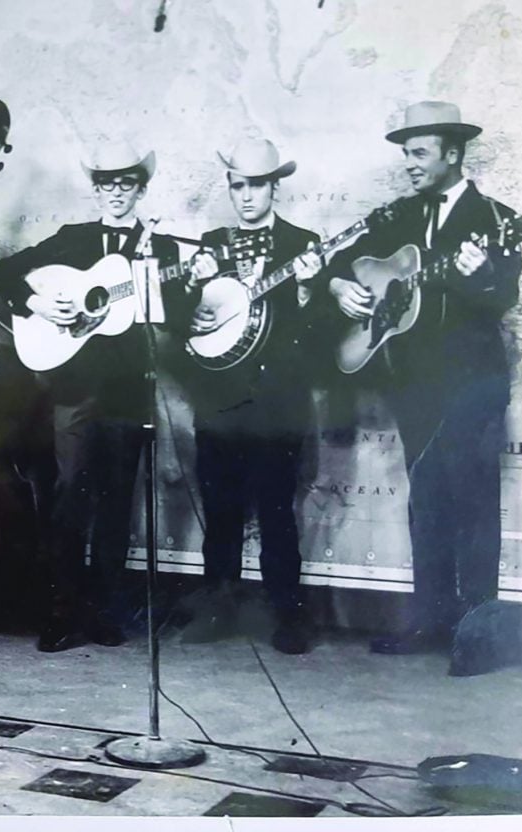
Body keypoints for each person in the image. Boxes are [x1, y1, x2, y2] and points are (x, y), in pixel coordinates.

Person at [321, 101, 522, 662]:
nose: (408, 163)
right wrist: (341, 287)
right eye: (405, 153)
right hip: (413, 384)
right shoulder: (398, 217)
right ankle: (428, 622)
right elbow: (346, 262)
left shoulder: (497, 220)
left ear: (452, 154)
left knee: (474, 507)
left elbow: (502, 295)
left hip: (473, 385)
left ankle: (480, 639)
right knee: (426, 504)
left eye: (418, 153)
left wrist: (478, 274)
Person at [0, 140, 185, 652]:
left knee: (117, 506)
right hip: (75, 392)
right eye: (106, 184)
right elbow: (5, 273)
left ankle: (102, 613)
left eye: (126, 183)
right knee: (70, 499)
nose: (115, 193)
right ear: (95, 189)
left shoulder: (160, 249)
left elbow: (181, 316)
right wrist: (38, 301)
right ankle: (61, 612)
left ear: (141, 189)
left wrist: (189, 284)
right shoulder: (72, 240)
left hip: (129, 394)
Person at [180, 138, 322, 654]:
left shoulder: (305, 244)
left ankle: (289, 616)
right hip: (218, 402)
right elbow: (189, 323)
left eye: (256, 185)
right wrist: (191, 304)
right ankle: (218, 610)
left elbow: (319, 332)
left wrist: (307, 290)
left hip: (277, 405)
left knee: (277, 512)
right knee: (220, 513)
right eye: (237, 185)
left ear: (274, 187)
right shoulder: (209, 242)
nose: (245, 196)